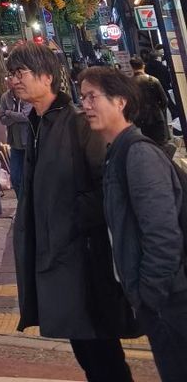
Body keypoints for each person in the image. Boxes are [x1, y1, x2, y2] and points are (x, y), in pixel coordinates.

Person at [7, 43, 137, 382]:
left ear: (47, 77)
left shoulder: (77, 123)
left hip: (85, 261)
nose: (14, 80)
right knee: (86, 349)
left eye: (20, 72)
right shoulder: (36, 125)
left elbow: (108, 184)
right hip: (58, 258)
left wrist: (69, 218)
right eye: (12, 73)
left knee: (101, 351)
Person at [81, 65, 186, 382]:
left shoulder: (138, 155)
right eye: (82, 97)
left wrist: (149, 295)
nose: (85, 105)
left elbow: (162, 235)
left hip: (170, 300)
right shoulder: (117, 153)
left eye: (92, 97)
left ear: (120, 101)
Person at [0, 69, 34, 197]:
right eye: (7, 78)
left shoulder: (26, 95)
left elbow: (26, 116)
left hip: (28, 141)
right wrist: (14, 116)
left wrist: (9, 113)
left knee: (31, 176)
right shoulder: (5, 97)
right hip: (14, 143)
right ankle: (22, 203)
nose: (8, 80)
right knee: (15, 177)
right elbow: (2, 119)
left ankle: (32, 202)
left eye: (11, 77)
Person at [130, 57, 173, 151]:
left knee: (147, 147)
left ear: (132, 68)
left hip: (139, 120)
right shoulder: (153, 80)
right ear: (143, 66)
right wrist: (160, 110)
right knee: (161, 145)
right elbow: (164, 100)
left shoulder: (129, 84)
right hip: (156, 117)